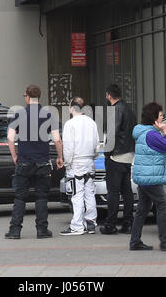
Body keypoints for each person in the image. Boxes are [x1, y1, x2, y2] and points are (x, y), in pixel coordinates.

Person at [5, 85, 63, 240]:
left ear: (27, 97)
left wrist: (14, 155)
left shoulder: (18, 114)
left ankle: (15, 231)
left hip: (24, 161)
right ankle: (42, 230)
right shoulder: (49, 115)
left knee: (19, 197)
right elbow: (57, 139)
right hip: (42, 162)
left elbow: (10, 138)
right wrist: (60, 157)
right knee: (42, 197)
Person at [130, 102, 166, 251]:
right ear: (154, 118)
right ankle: (165, 241)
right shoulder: (151, 134)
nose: (163, 117)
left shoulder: (142, 132)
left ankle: (135, 241)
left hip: (144, 176)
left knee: (142, 208)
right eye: (160, 115)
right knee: (163, 205)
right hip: (150, 177)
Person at [60, 97, 100, 236]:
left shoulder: (70, 124)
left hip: (76, 162)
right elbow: (96, 144)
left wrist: (67, 163)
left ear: (71, 108)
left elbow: (68, 147)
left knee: (76, 194)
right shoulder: (92, 123)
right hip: (89, 162)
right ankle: (91, 222)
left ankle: (77, 225)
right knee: (90, 193)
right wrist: (93, 157)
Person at [100, 84, 136, 235]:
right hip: (128, 155)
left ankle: (110, 224)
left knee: (113, 192)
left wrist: (107, 154)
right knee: (127, 191)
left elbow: (112, 134)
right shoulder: (129, 109)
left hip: (116, 156)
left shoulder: (114, 110)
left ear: (109, 95)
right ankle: (128, 223)